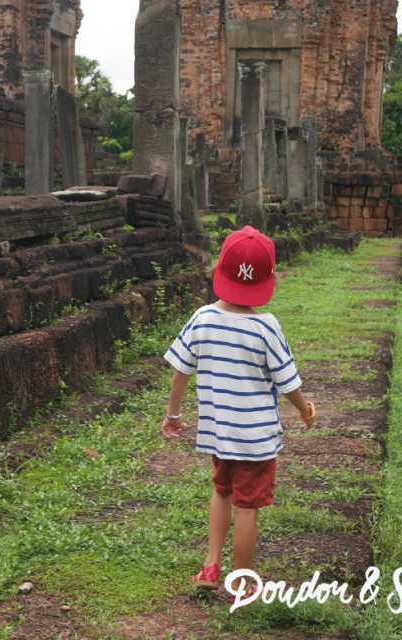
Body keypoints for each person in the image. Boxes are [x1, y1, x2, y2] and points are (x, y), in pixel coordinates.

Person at [161, 224, 315, 593]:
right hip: (255, 440)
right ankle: (243, 582)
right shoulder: (266, 327)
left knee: (222, 492)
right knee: (247, 507)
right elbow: (288, 383)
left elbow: (181, 372)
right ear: (268, 278)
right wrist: (306, 410)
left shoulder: (202, 319)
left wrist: (174, 415)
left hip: (218, 433)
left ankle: (211, 566)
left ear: (221, 270)